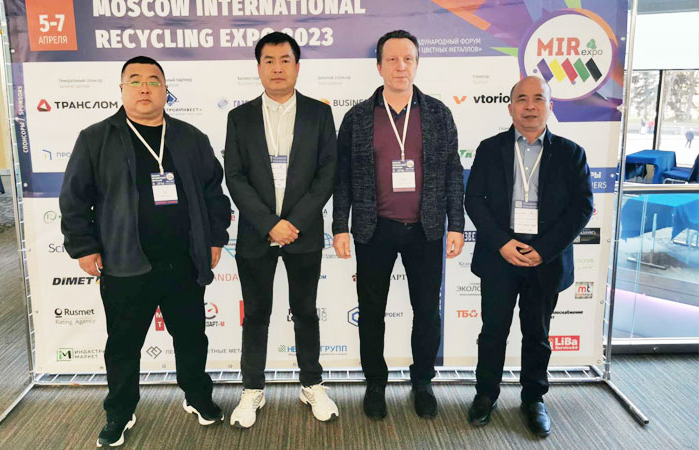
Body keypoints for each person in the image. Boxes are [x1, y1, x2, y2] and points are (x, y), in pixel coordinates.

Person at [59, 56, 231, 447]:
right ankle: (120, 411)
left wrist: (215, 238)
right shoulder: (96, 138)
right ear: (121, 90)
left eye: (154, 80)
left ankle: (197, 396)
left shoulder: (190, 137)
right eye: (134, 80)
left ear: (165, 90)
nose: (144, 87)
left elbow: (213, 193)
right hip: (125, 263)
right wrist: (84, 246)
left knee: (191, 337)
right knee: (123, 345)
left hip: (184, 262)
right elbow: (74, 199)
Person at [332, 30, 465, 419]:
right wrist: (340, 226)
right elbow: (343, 179)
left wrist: (456, 225)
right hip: (374, 229)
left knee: (426, 311)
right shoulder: (357, 117)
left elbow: (453, 172)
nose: (400, 66)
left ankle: (422, 381)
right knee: (372, 311)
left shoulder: (439, 113)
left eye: (408, 58)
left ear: (417, 64)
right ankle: (375, 382)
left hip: (426, 228)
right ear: (378, 66)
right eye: (392, 59)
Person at [464, 76, 593, 437]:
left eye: (539, 98)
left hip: (545, 260)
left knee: (537, 334)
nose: (530, 106)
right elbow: (474, 200)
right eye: (522, 99)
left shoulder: (571, 153)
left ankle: (533, 399)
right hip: (499, 256)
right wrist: (502, 243)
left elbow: (582, 207)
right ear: (511, 107)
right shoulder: (490, 149)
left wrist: (544, 249)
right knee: (493, 331)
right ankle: (485, 394)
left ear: (550, 106)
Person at [224, 32, 338, 428]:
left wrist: (294, 223)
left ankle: (312, 384)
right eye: (269, 61)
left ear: (297, 67)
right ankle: (252, 389)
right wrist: (270, 224)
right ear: (258, 68)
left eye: (285, 60)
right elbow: (235, 177)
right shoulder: (239, 118)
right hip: (257, 234)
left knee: (305, 311)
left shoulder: (319, 114)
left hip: (303, 233)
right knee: (256, 313)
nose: (277, 68)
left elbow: (326, 174)